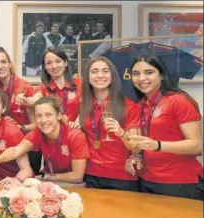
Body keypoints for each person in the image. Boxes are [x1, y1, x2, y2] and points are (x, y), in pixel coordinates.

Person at [127, 56, 203, 200]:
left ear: (161, 75)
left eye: (149, 72)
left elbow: (196, 145)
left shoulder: (178, 100)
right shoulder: (140, 105)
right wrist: (136, 156)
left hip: (181, 182)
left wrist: (157, 145)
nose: (141, 78)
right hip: (147, 180)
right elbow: (141, 142)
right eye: (136, 74)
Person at [0, 96, 91, 184]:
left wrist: (48, 177)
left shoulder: (75, 135)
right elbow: (16, 150)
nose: (43, 120)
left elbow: (77, 176)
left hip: (73, 184)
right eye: (39, 116)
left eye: (48, 115)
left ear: (59, 115)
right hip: (51, 181)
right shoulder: (38, 132)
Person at [79, 57, 140, 191]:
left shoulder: (129, 106)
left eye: (105, 71)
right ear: (87, 77)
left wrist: (121, 133)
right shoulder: (82, 105)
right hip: (91, 174)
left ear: (112, 76)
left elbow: (136, 147)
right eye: (94, 71)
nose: (100, 75)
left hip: (121, 175)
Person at [0, 47, 40, 175]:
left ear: (10, 64)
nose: (0, 66)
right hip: (3, 147)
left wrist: (19, 127)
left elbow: (36, 125)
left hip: (27, 147)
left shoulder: (25, 87)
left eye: (3, 62)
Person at [32, 47, 82, 127]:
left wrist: (77, 122)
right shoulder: (42, 87)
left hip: (75, 131)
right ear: (44, 67)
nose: (54, 66)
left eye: (58, 61)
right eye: (49, 63)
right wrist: (24, 100)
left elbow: (87, 106)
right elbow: (33, 100)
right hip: (52, 133)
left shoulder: (80, 84)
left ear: (65, 63)